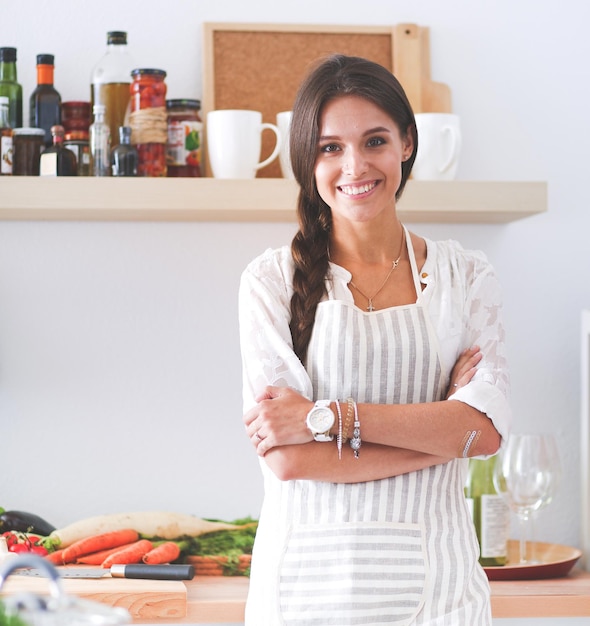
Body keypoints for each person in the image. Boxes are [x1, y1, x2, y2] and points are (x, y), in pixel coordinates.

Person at [239, 54, 511, 625]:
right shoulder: (269, 283)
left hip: (442, 595)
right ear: (306, 160)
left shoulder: (466, 278)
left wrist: (328, 418)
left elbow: (484, 433)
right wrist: (444, 428)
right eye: (330, 147)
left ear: (407, 143)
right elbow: (288, 458)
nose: (354, 165)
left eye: (375, 140)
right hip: (305, 593)